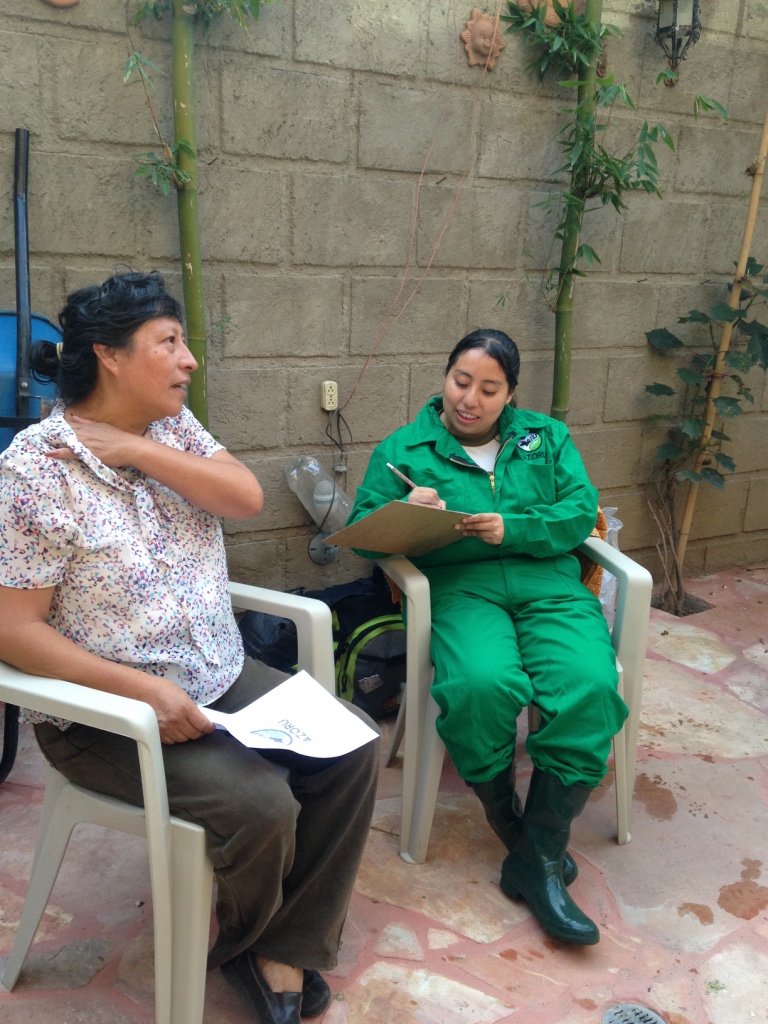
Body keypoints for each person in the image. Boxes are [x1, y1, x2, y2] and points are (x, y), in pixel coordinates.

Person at [0, 271, 380, 1024]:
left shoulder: (171, 427)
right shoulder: (33, 476)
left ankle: (279, 942)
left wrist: (138, 452)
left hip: (216, 672)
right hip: (103, 715)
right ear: (109, 356)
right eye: (168, 343)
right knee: (261, 806)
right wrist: (141, 692)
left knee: (354, 748)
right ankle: (251, 942)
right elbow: (13, 631)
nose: (188, 361)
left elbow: (243, 497)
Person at [347, 328, 627, 946]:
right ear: (445, 377)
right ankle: (521, 835)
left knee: (587, 684)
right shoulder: (406, 447)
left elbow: (581, 511)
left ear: (510, 395)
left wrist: (515, 526)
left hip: (549, 583)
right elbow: (361, 534)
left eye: (488, 388)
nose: (470, 399)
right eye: (460, 381)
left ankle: (538, 852)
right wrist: (408, 513)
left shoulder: (546, 439)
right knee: (481, 683)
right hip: (463, 590)